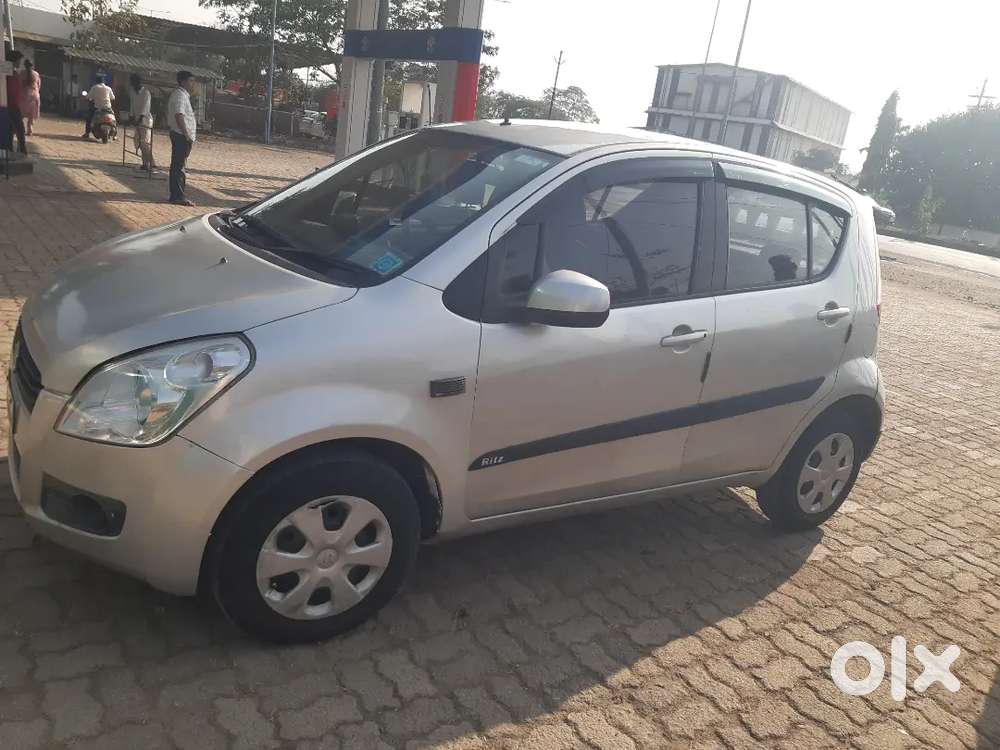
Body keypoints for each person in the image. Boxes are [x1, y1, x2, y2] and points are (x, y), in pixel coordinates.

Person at [166, 70, 197, 206]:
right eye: (191, 81)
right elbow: (179, 115)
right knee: (178, 167)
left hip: (180, 134)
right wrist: (186, 135)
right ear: (183, 82)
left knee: (178, 165)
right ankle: (177, 196)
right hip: (180, 135)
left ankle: (177, 195)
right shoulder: (180, 95)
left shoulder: (183, 95)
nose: (192, 84)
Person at [128, 73, 154, 172]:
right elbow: (132, 105)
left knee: (145, 143)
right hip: (137, 120)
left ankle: (150, 165)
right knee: (138, 141)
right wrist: (131, 117)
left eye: (133, 82)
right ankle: (146, 163)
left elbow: (145, 107)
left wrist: (139, 119)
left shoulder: (146, 93)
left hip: (146, 121)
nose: (132, 84)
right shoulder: (133, 92)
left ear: (138, 82)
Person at [4, 49, 27, 154]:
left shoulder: (15, 73)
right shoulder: (7, 73)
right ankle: (14, 150)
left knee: (17, 129)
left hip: (14, 105)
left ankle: (19, 150)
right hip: (8, 105)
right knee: (13, 129)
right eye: (19, 61)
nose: (20, 63)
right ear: (14, 61)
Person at [82, 75, 114, 140]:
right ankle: (115, 135)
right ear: (104, 82)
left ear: (96, 81)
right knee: (113, 118)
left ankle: (87, 133)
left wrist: (88, 98)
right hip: (108, 108)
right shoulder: (108, 88)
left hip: (97, 108)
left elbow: (88, 97)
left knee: (89, 118)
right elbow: (113, 98)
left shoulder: (95, 87)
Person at [20, 59, 41, 136]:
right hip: (34, 96)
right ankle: (30, 130)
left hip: (24, 96)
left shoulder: (22, 73)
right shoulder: (36, 74)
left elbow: (19, 84)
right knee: (31, 116)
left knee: (21, 115)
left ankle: (19, 129)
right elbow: (38, 85)